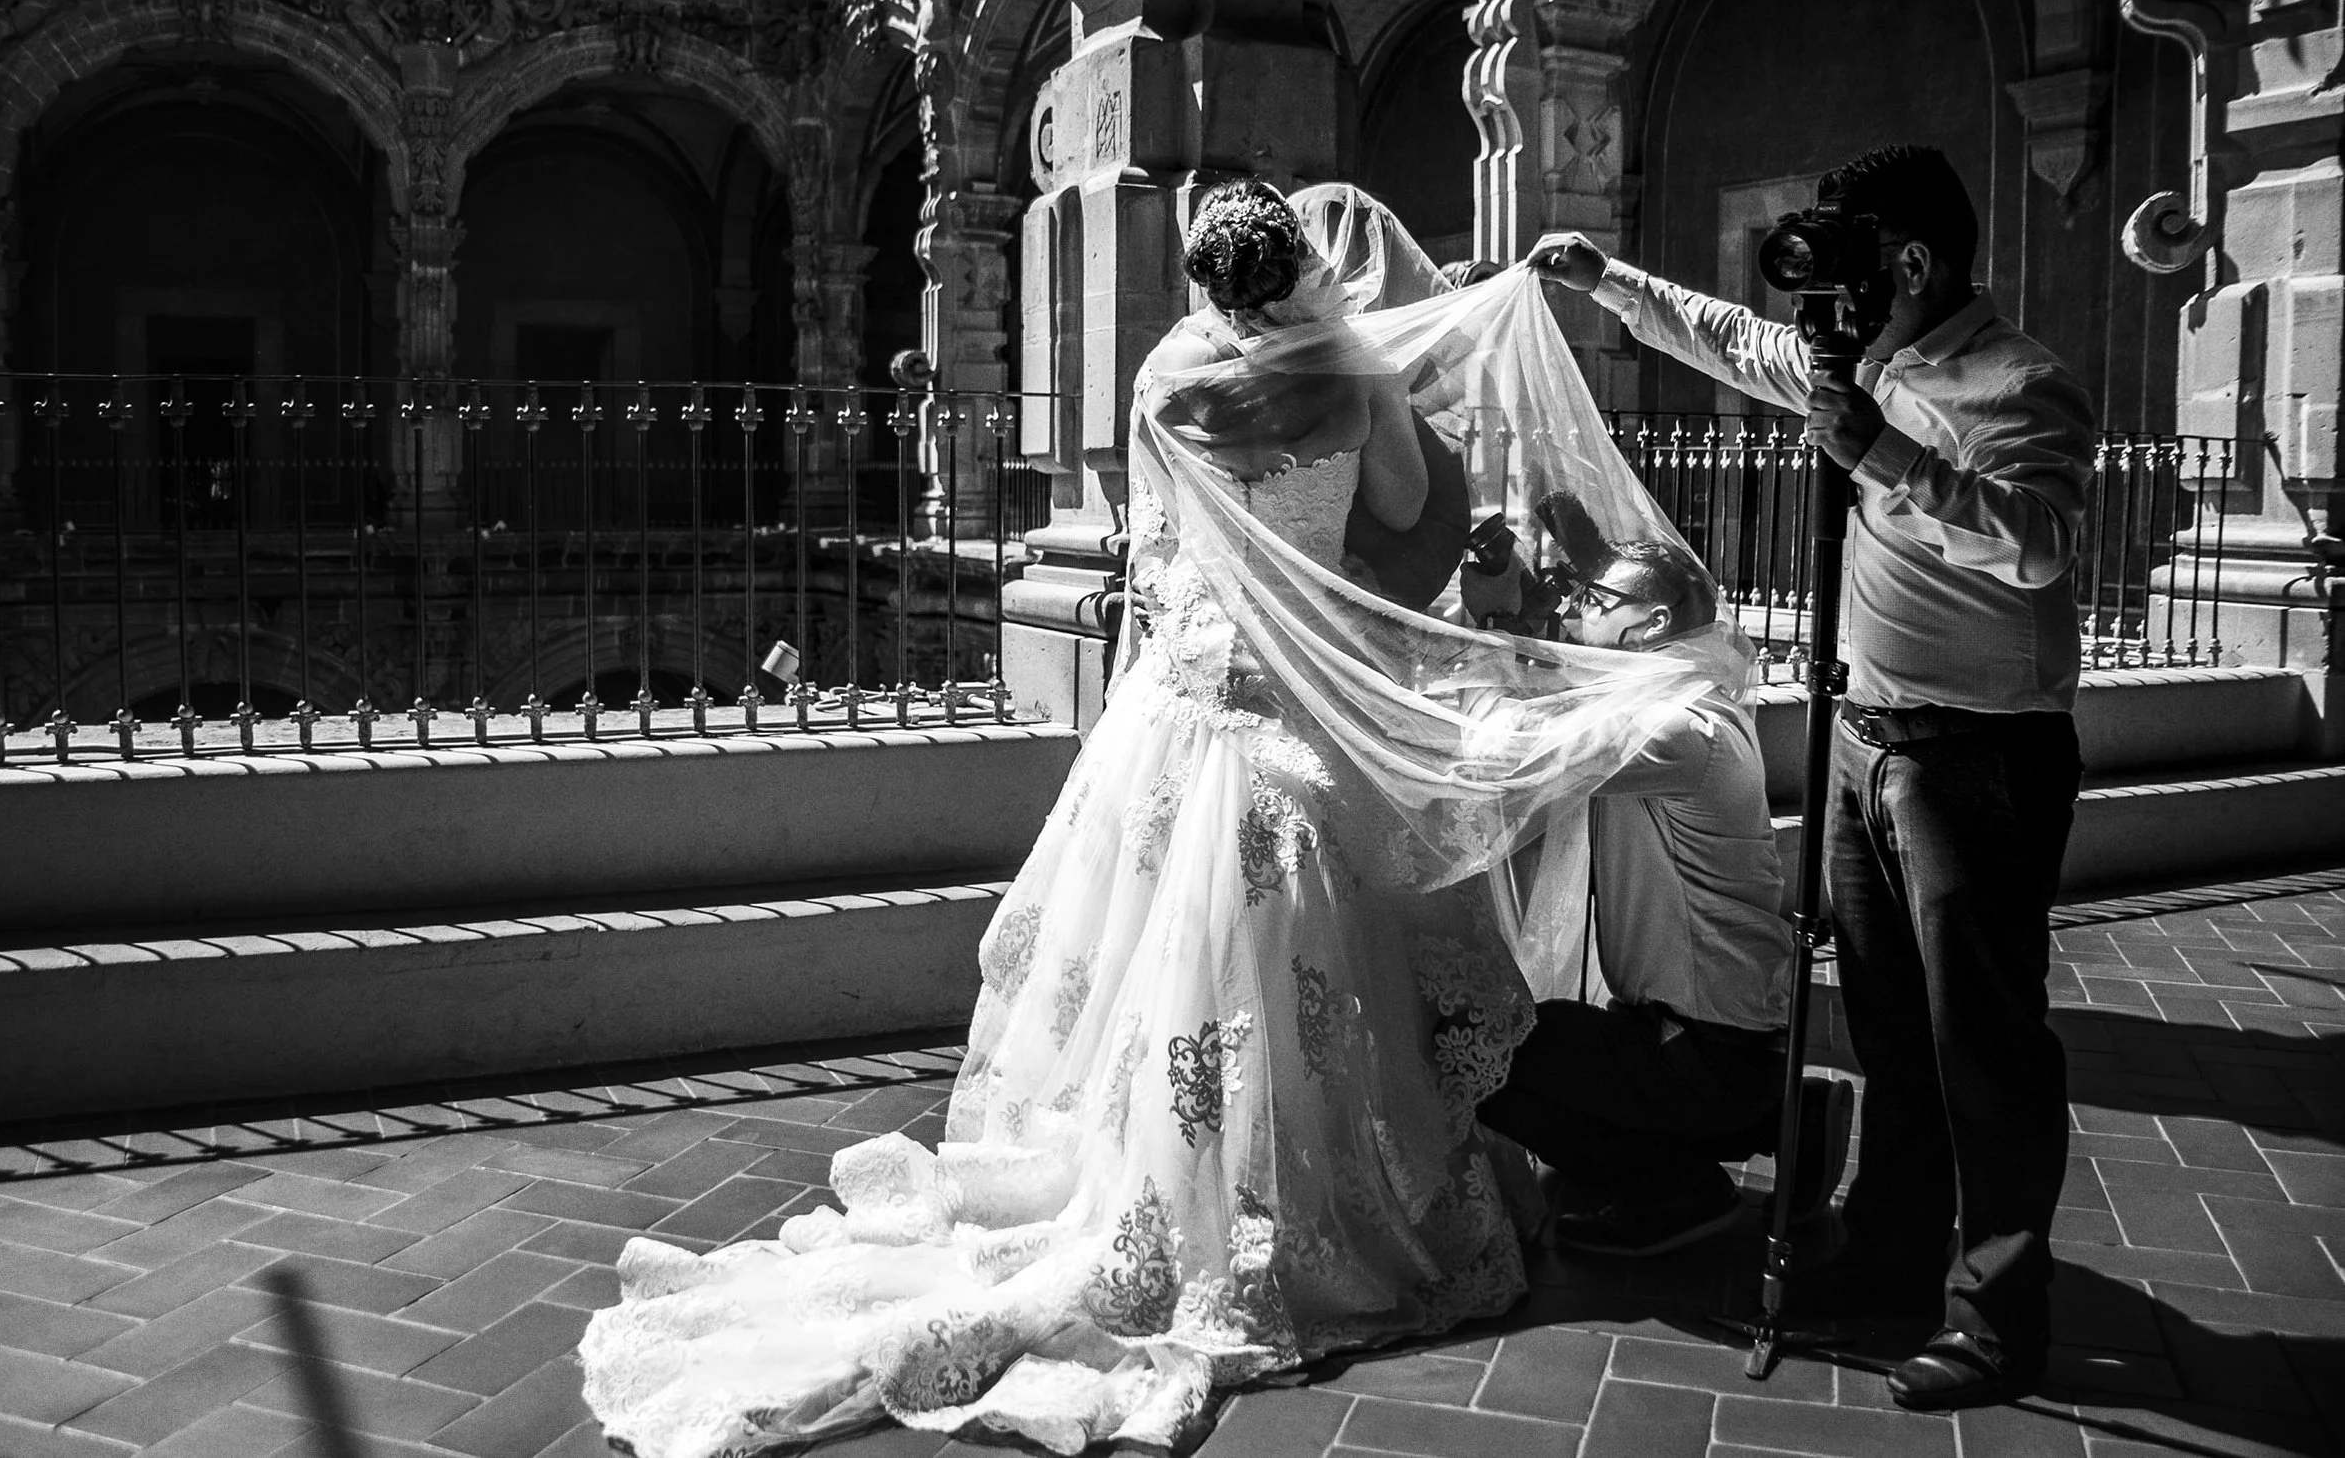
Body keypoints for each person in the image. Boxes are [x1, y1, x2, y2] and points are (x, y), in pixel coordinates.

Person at [577, 179, 1727, 1457]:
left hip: (1174, 703)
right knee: (1302, 971)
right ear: (1300, 276)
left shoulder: (1167, 373)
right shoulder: (1351, 379)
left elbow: (1161, 543)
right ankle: (1295, 1210)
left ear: (1205, 281)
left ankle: (1147, 1188)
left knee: (1148, 970)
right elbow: (1410, 530)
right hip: (1289, 714)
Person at [1527, 143, 2094, 1409]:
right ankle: (1888, 1254)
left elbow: (2042, 549)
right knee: (1890, 1031)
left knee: (1981, 1042)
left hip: (1975, 754)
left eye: (1852, 257)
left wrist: (1882, 453)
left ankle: (2000, 1314)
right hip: (1863, 740)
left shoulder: (2019, 383)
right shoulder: (1862, 364)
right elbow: (1729, 337)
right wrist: (1604, 277)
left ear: (1911, 259)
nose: (1826, 297)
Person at [1461, 538, 1853, 1256]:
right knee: (1542, 1039)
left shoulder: (1673, 726)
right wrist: (1536, 624)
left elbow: (1503, 752)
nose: (1579, 609)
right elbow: (1564, 702)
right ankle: (1774, 1120)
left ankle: (1677, 1185)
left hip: (1704, 1046)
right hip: (1730, 1034)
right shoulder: (1679, 697)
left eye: (1597, 602)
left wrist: (1489, 637)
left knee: (1481, 1055)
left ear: (1650, 625)